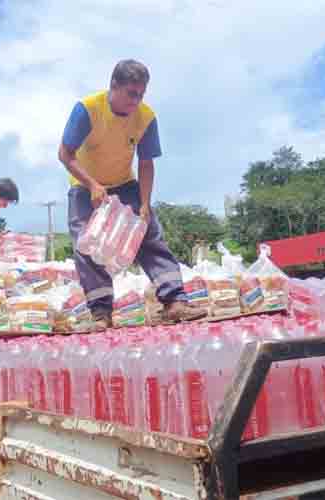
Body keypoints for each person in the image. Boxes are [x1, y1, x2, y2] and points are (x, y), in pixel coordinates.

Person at [58, 59, 207, 329]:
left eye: (141, 94)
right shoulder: (87, 110)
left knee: (149, 235)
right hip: (85, 185)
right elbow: (65, 155)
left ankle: (175, 302)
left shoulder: (146, 117)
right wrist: (92, 185)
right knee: (87, 244)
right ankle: (101, 314)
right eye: (131, 93)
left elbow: (146, 162)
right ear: (113, 86)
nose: (136, 101)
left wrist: (145, 204)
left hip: (125, 183)